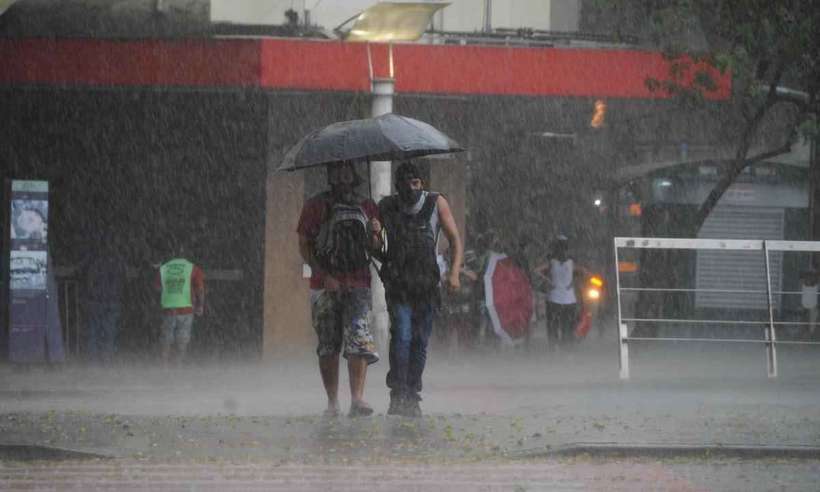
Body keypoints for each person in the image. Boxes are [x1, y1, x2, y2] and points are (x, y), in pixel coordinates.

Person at [375, 160, 463, 417]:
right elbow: (376, 250)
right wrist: (374, 234)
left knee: (420, 341)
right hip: (398, 285)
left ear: (422, 184)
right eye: (406, 183)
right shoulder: (386, 207)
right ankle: (398, 393)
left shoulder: (436, 204)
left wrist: (454, 273)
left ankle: (412, 392)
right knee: (401, 336)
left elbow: (455, 239)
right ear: (397, 185)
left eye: (416, 183)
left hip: (426, 285)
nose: (411, 188)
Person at [297, 160, 381, 418]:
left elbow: (376, 250)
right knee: (328, 344)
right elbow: (304, 244)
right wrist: (324, 275)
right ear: (330, 175)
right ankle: (332, 402)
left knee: (359, 341)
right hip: (324, 286)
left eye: (347, 170)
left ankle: (357, 399)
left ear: (354, 174)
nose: (343, 176)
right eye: (337, 171)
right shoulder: (315, 205)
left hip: (359, 283)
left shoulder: (367, 206)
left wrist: (376, 233)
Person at [532, 235, 586, 350]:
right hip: (569, 300)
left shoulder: (551, 262)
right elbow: (585, 272)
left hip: (554, 299)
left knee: (553, 326)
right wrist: (573, 282)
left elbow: (536, 270)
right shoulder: (571, 263)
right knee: (567, 326)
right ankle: (566, 348)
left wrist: (549, 281)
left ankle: (554, 348)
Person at [155, 247, 205, 367]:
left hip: (168, 308)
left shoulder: (163, 268)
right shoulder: (193, 268)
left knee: (167, 338)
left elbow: (157, 288)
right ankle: (178, 364)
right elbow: (200, 289)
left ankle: (164, 365)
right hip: (186, 308)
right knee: (182, 339)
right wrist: (200, 305)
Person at [84, 239, 127, 364]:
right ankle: (107, 361)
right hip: (113, 301)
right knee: (110, 332)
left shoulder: (94, 263)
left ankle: (93, 362)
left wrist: (91, 295)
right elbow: (123, 280)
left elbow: (89, 282)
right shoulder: (119, 262)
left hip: (96, 301)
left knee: (94, 332)